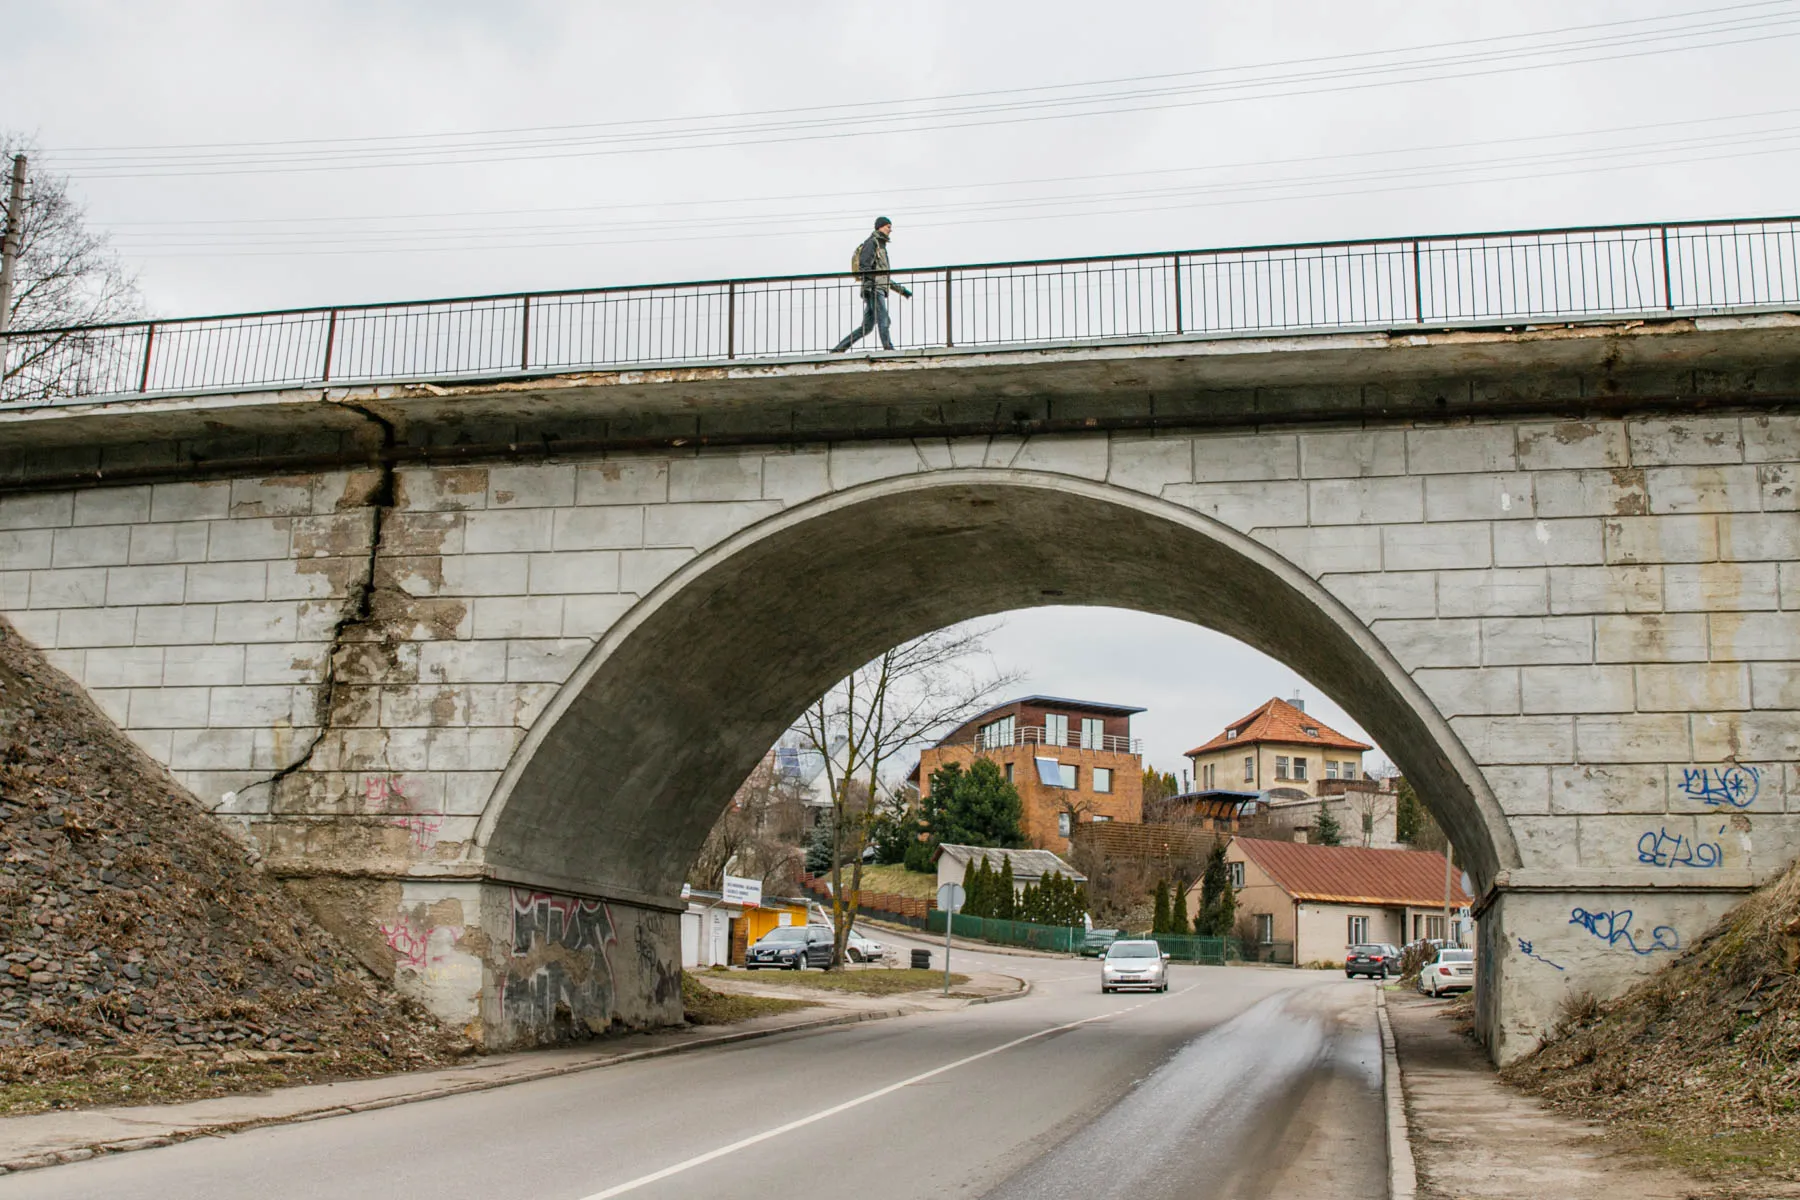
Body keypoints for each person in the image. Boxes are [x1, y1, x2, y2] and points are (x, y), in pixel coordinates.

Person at [831, 217, 912, 352]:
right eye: (888, 227)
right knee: (884, 319)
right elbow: (864, 266)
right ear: (880, 227)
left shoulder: (881, 246)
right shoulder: (872, 243)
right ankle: (888, 348)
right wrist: (869, 286)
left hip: (876, 288)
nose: (890, 230)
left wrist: (902, 290)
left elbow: (883, 276)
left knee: (867, 327)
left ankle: (839, 349)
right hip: (874, 289)